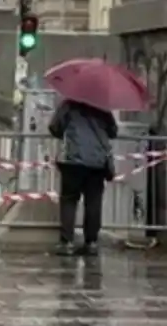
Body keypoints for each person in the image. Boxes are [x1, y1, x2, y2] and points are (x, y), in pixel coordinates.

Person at [48, 99, 117, 256]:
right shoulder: (103, 106)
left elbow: (55, 128)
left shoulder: (69, 104)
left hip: (73, 160)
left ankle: (67, 242)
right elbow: (113, 131)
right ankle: (91, 242)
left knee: (69, 200)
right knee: (93, 202)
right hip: (97, 162)